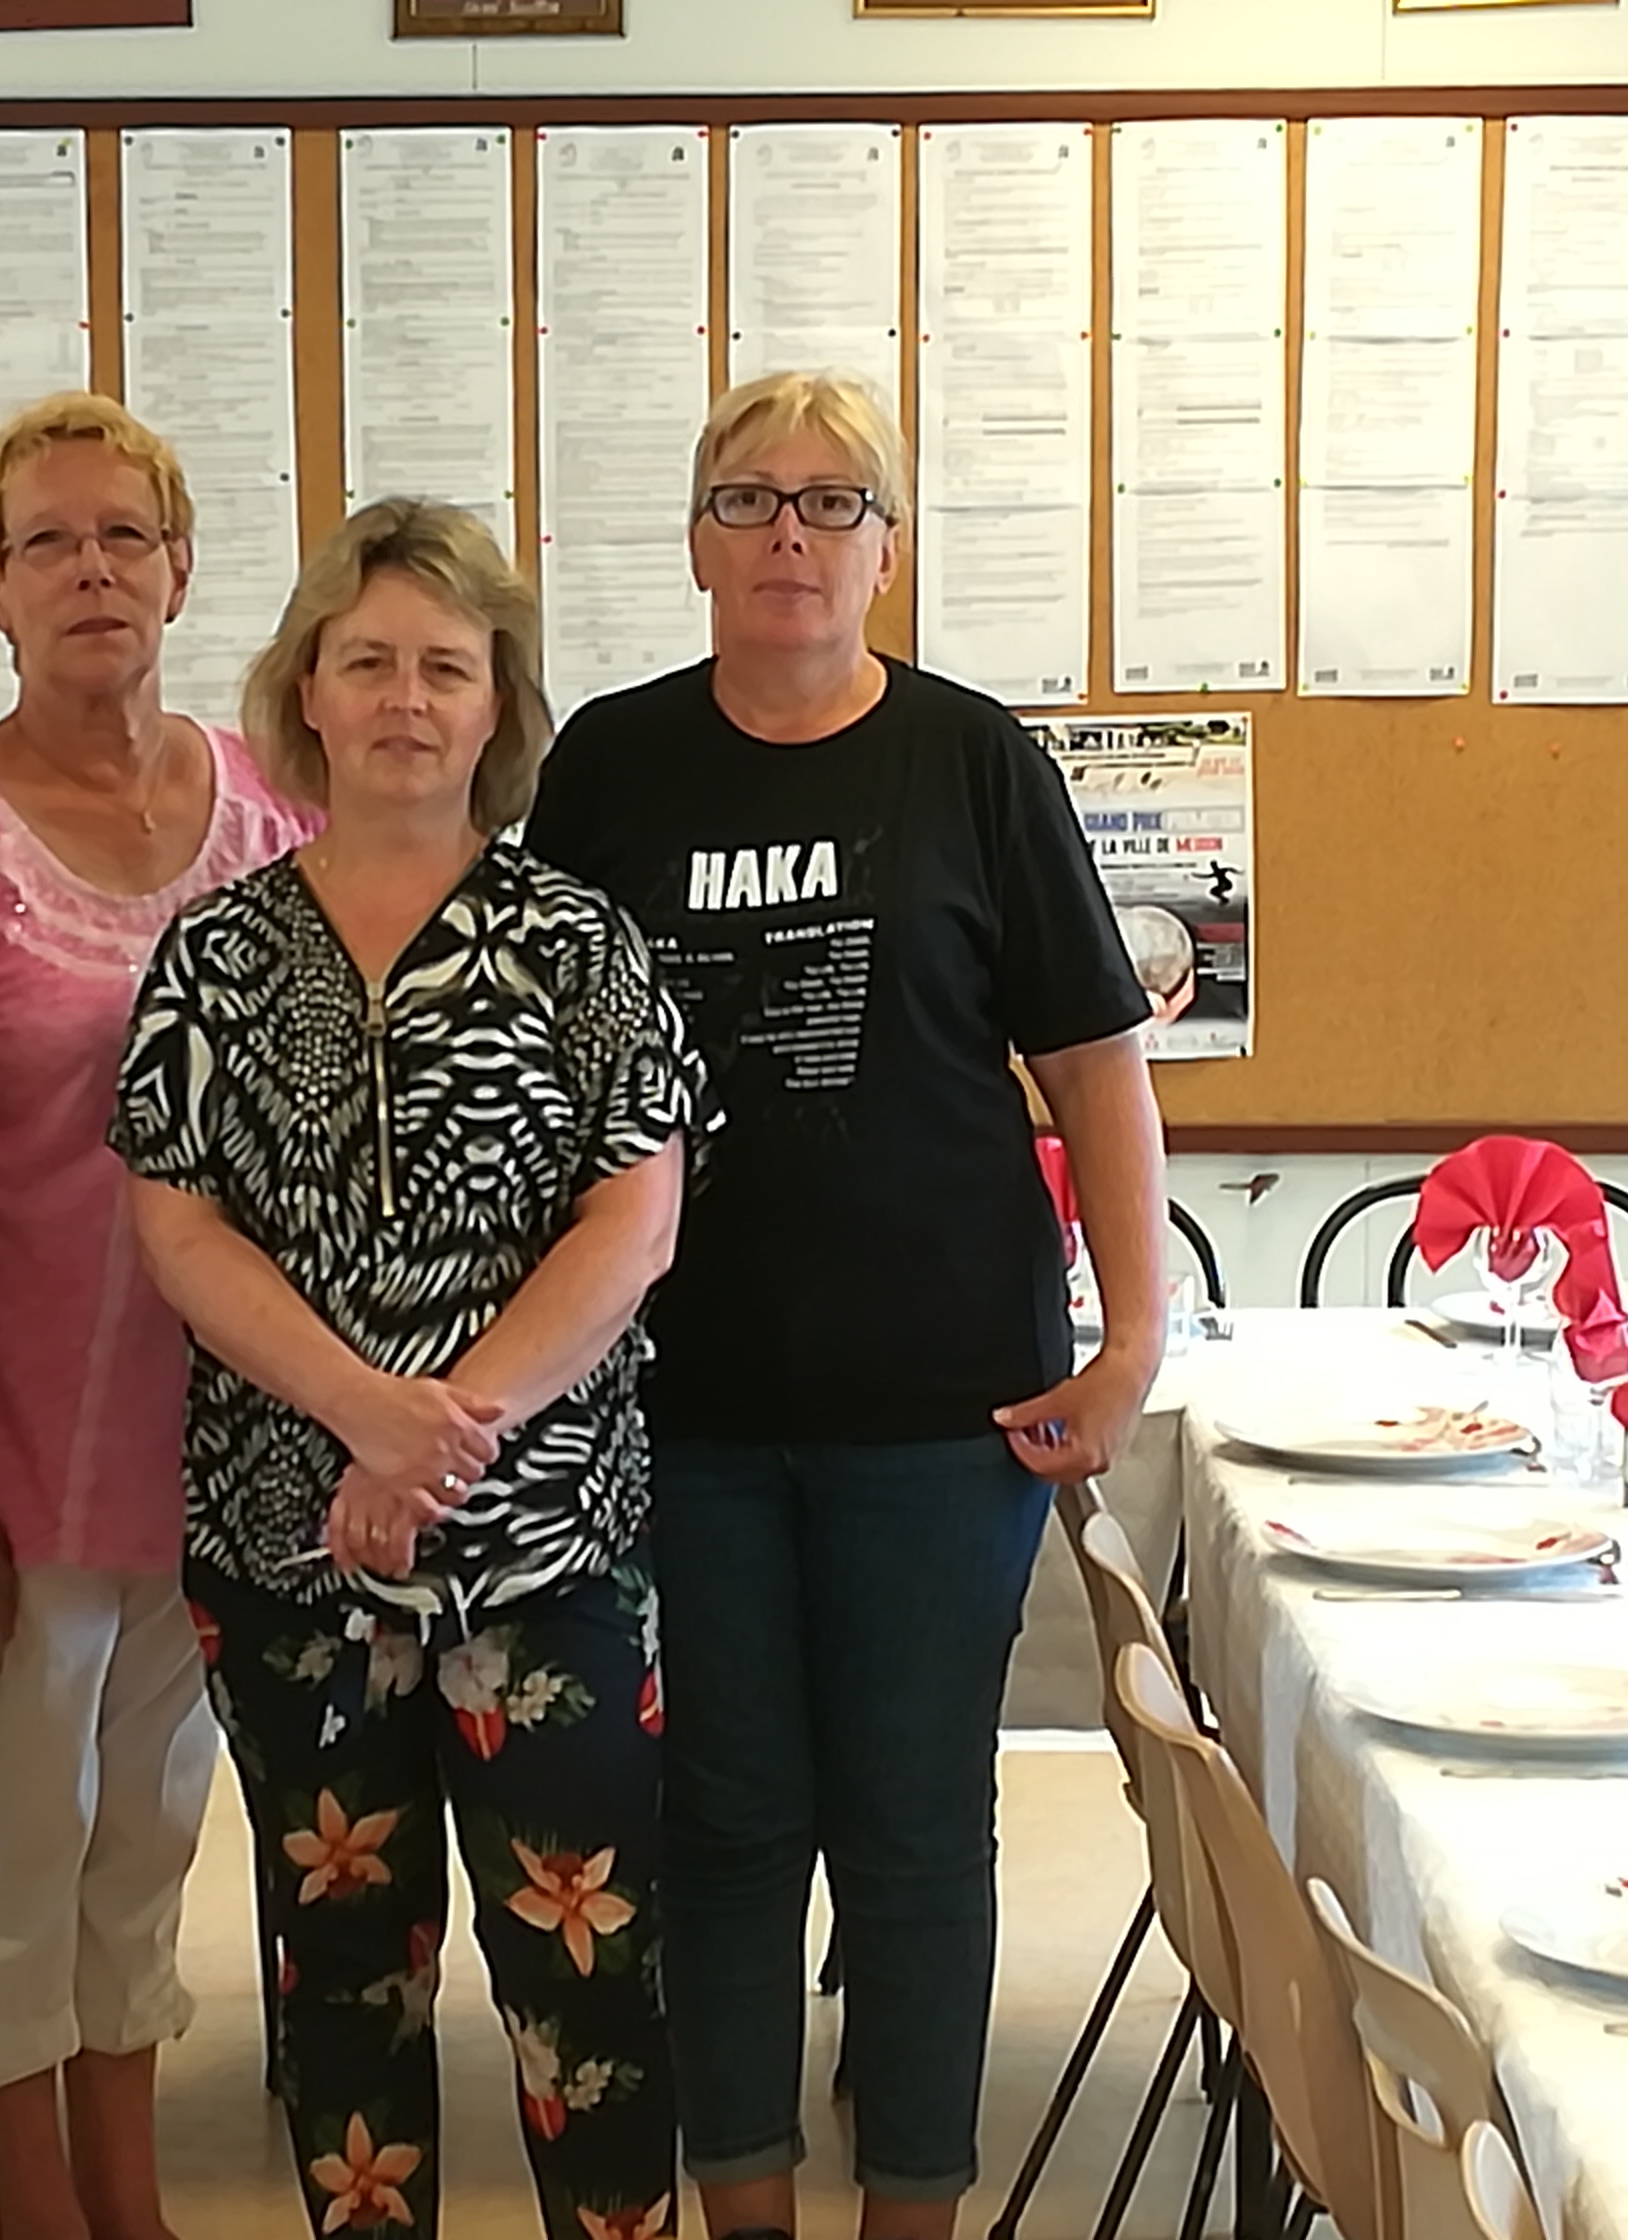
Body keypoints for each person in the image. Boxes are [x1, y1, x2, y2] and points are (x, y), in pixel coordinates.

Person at [523, 370, 1172, 2240]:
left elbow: (1094, 1065)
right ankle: (745, 2213)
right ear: (696, 541)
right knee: (721, 1834)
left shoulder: (970, 762)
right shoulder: (613, 769)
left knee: (907, 1836)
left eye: (829, 502)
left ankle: (912, 2214)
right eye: (747, 499)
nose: (788, 533)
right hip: (680, 1412)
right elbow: (541, 1064)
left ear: (885, 549)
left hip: (936, 1415)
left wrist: (1124, 1340)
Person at [112, 500, 698, 2240]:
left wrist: (449, 1432)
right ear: (304, 687)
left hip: (547, 1552)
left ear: (497, 702)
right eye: (363, 659)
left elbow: (632, 1222)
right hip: (288, 1556)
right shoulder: (213, 956)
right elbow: (179, 1228)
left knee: (584, 1973)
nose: (402, 697)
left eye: (445, 665)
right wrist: (364, 1413)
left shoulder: (579, 946)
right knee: (338, 1979)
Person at [0, 394, 309, 2240]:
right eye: (47, 542)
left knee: (147, 1859)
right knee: (9, 1873)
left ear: (184, 569)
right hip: (18, 1454)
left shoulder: (266, 819)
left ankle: (129, 2202)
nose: (92, 571)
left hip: (212, 1459)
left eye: (125, 536)